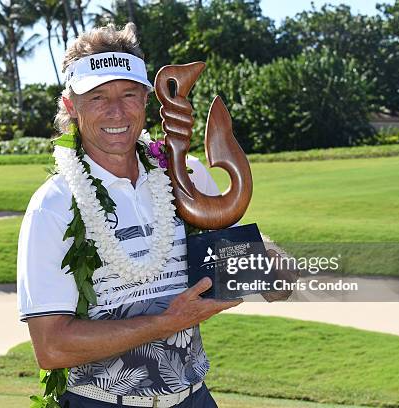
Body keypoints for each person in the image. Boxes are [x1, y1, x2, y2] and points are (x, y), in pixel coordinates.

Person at [17, 23, 242, 408]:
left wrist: (272, 266)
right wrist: (167, 322)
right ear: (71, 106)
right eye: (97, 97)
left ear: (146, 100)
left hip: (194, 399)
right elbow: (52, 347)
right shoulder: (53, 205)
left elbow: (243, 267)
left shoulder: (184, 177)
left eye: (128, 94)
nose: (116, 111)